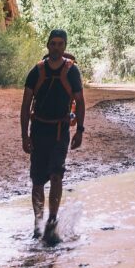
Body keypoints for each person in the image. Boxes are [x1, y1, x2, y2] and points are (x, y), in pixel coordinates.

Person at [21, 28, 85, 244]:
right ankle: (38, 224)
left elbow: (80, 101)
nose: (56, 47)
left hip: (60, 132)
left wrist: (80, 130)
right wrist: (24, 136)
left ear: (64, 46)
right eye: (53, 43)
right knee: (37, 181)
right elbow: (25, 105)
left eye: (60, 44)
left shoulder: (72, 72)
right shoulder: (36, 72)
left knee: (57, 176)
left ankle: (52, 221)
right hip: (39, 131)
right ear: (48, 46)